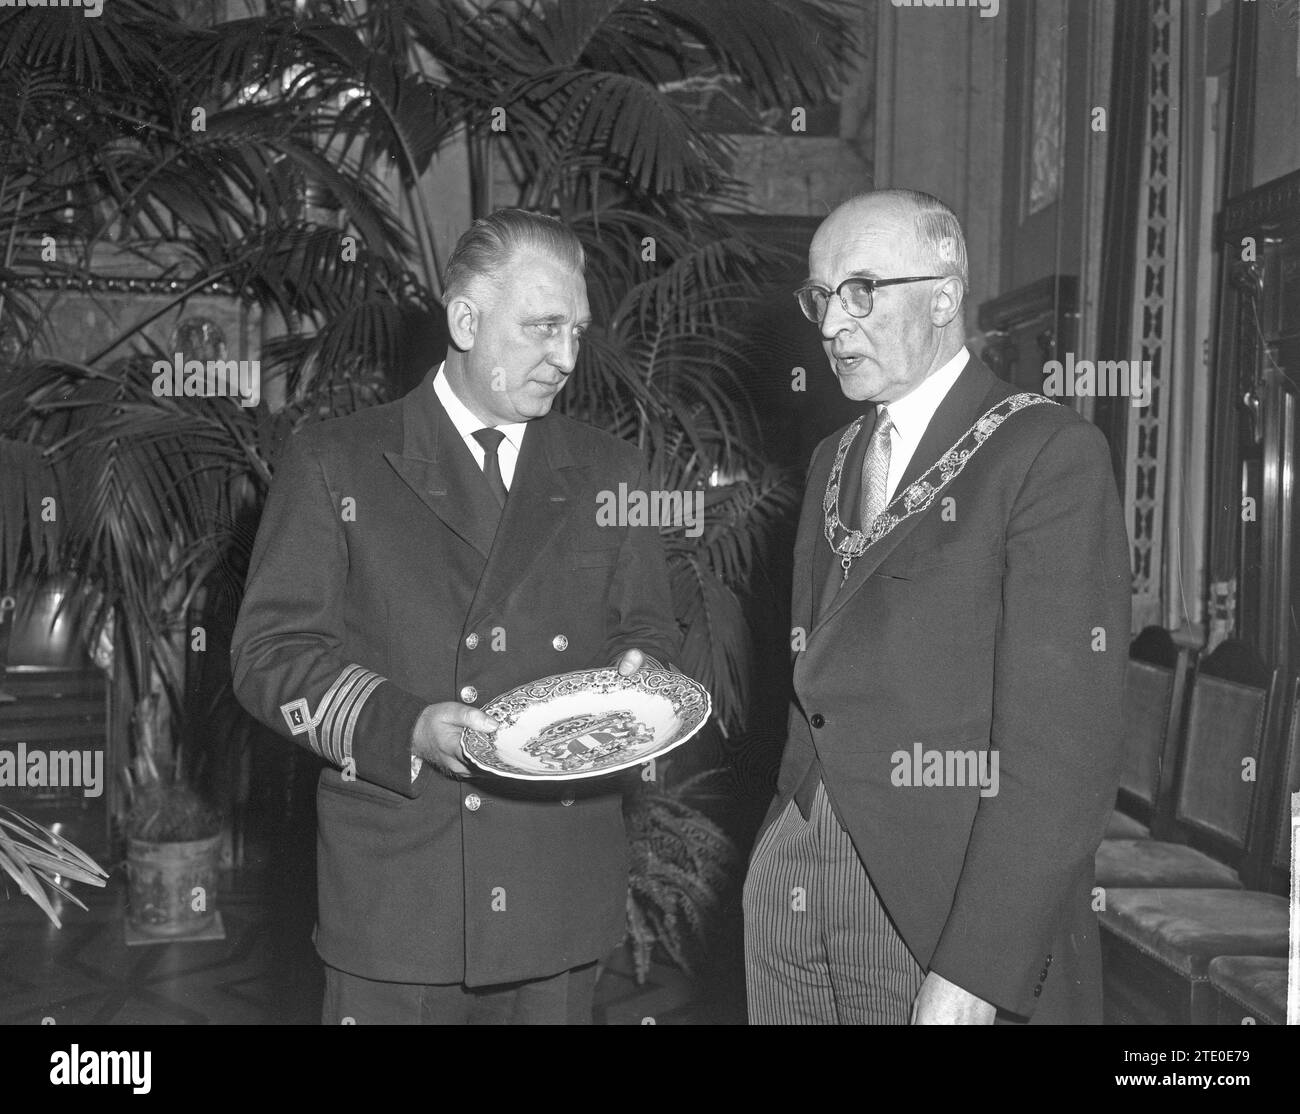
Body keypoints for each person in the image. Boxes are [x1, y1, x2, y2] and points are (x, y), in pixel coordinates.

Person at [231, 208, 679, 1024]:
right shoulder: (336, 461)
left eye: (576, 331)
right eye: (543, 327)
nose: (567, 358)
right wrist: (406, 726)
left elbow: (647, 630)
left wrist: (639, 682)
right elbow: (269, 655)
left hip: (556, 883)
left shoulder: (612, 470)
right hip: (401, 892)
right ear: (465, 319)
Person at [742, 189, 1131, 1024]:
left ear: (946, 295)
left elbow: (1062, 751)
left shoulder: (1046, 453)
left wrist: (979, 970)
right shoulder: (832, 457)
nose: (833, 324)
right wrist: (781, 843)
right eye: (820, 297)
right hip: (795, 870)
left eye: (861, 290)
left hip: (936, 900)